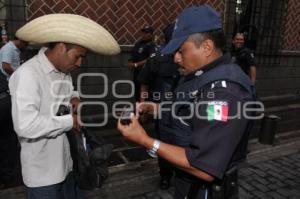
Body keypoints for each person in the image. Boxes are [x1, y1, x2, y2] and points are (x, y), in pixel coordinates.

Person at [118, 5, 257, 199]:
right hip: (188, 185)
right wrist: (156, 108)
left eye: (181, 51)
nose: (176, 58)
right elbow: (189, 109)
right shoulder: (201, 74)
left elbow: (204, 167)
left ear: (207, 47)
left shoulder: (224, 94)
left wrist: (145, 140)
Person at [9, 14, 120, 199]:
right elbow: (25, 125)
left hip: (69, 163)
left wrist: (75, 98)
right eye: (77, 56)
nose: (79, 63)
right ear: (61, 47)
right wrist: (70, 121)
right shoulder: (27, 75)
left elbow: (70, 91)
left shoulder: (64, 72)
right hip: (44, 175)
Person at [138, 24, 180, 190]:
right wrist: (143, 106)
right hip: (162, 112)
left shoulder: (192, 57)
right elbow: (144, 83)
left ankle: (183, 172)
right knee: (164, 144)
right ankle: (165, 176)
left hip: (184, 111)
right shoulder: (157, 58)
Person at [0, 36, 27, 188]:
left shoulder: (12, 50)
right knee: (7, 140)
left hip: (5, 95)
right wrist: (20, 75)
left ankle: (8, 176)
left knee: (7, 140)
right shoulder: (8, 49)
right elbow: (6, 67)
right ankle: (9, 177)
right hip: (5, 97)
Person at [128, 25, 156, 101]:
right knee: (136, 93)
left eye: (146, 33)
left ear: (151, 34)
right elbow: (132, 54)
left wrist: (136, 64)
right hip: (136, 73)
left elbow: (150, 59)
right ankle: (138, 109)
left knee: (144, 94)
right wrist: (130, 62)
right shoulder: (138, 44)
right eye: (143, 32)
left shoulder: (151, 45)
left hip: (145, 73)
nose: (143, 34)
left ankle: (144, 109)